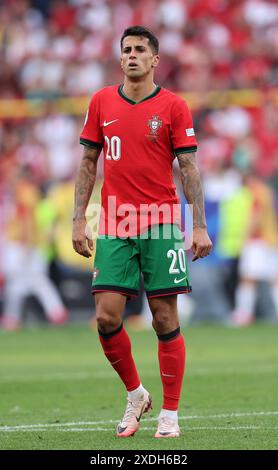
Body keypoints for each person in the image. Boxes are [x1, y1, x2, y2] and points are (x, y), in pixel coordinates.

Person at [72, 26, 212, 438]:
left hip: (161, 220)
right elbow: (87, 163)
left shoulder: (173, 106)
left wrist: (199, 224)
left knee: (164, 316)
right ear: (121, 59)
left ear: (155, 60)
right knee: (105, 316)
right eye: (126, 50)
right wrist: (79, 218)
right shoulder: (100, 102)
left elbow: (188, 168)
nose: (131, 55)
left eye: (140, 50)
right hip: (116, 217)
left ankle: (169, 414)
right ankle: (135, 394)